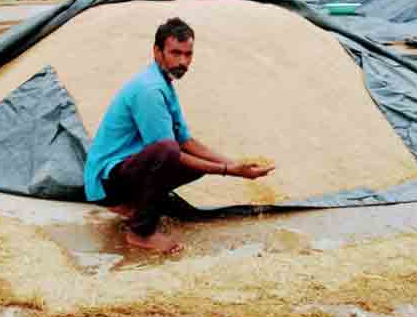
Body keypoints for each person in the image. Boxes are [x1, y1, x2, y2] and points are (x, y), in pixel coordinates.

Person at [83, 17, 275, 253]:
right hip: (106, 182)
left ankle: (135, 205)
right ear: (157, 51)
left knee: (191, 159)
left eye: (188, 54)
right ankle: (140, 231)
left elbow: (186, 141)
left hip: (129, 168)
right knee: (168, 152)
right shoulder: (150, 90)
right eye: (175, 53)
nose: (183, 61)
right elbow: (167, 152)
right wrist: (229, 172)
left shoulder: (164, 83)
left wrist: (236, 164)